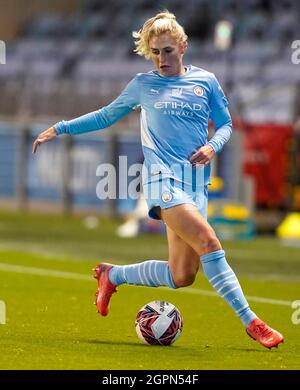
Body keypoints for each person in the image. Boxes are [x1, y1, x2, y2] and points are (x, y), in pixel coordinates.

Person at [32, 11, 283, 349]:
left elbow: (225, 125)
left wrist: (212, 146)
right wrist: (60, 127)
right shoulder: (143, 84)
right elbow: (107, 114)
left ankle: (113, 274)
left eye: (167, 50)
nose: (161, 59)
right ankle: (252, 322)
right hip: (161, 181)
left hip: (195, 185)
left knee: (182, 275)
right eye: (155, 52)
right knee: (209, 242)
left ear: (183, 46)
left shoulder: (206, 82)